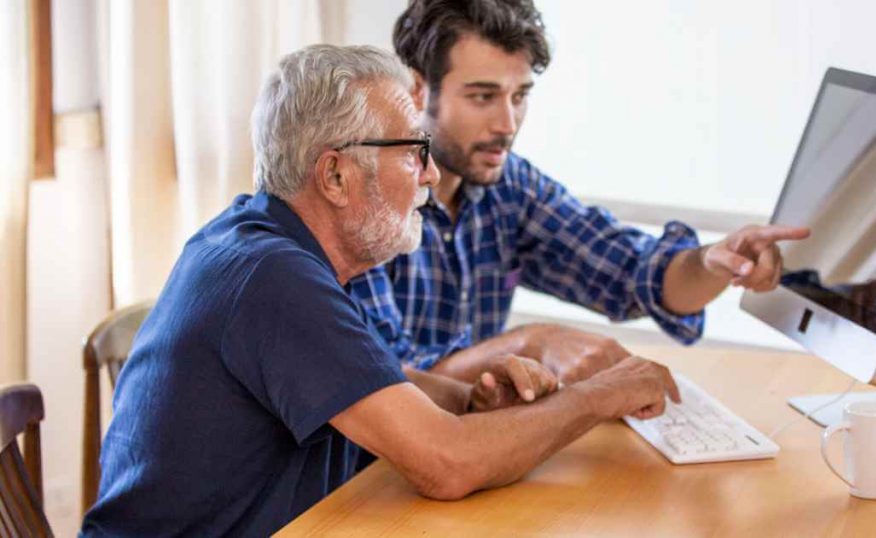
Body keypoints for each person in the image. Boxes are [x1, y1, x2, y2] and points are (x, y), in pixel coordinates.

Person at [80, 44, 680, 537]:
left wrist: (468, 399)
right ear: (336, 174)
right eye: (414, 151)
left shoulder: (263, 245)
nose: (432, 175)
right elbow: (447, 464)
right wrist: (600, 395)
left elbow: (362, 385)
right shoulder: (273, 278)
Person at [347, 0, 810, 384]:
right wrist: (532, 343)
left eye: (520, 95)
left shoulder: (508, 187)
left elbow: (633, 273)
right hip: (365, 477)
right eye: (483, 97)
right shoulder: (364, 202)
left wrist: (712, 262)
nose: (507, 125)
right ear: (416, 89)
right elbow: (389, 381)